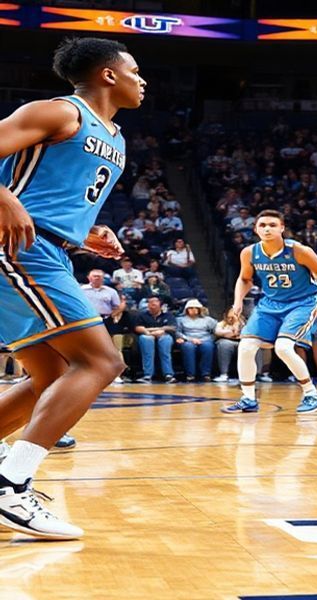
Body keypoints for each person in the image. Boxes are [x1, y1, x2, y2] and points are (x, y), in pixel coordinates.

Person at [0, 37, 144, 539]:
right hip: (18, 247)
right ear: (109, 75)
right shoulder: (60, 112)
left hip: (49, 248)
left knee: (53, 373)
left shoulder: (116, 137)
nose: (142, 80)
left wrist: (87, 234)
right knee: (102, 361)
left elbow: (52, 196)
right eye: (134, 70)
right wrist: (4, 200)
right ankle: (11, 484)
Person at [221, 209, 317, 414]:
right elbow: (244, 279)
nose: (267, 229)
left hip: (303, 303)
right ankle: (248, 398)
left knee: (283, 347)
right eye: (262, 225)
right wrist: (238, 302)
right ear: (255, 229)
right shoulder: (249, 252)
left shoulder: (299, 251)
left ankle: (311, 393)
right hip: (270, 304)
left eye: (272, 225)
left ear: (282, 228)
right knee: (246, 346)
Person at [134, 296, 177, 383]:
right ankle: (147, 375)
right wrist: (151, 332)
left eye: (155, 301)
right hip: (147, 335)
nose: (152, 304)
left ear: (160, 304)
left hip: (164, 335)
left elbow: (172, 327)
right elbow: (138, 328)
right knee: (146, 340)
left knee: (165, 342)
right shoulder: (142, 315)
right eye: (150, 302)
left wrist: (159, 330)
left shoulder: (168, 315)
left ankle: (168, 374)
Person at [176, 298, 217, 382]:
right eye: (191, 308)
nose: (193, 310)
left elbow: (216, 330)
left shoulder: (208, 319)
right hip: (188, 339)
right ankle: (190, 374)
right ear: (186, 310)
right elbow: (177, 332)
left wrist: (210, 339)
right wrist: (189, 339)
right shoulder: (180, 320)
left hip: (205, 339)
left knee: (208, 347)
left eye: (195, 308)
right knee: (188, 347)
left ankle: (206, 374)